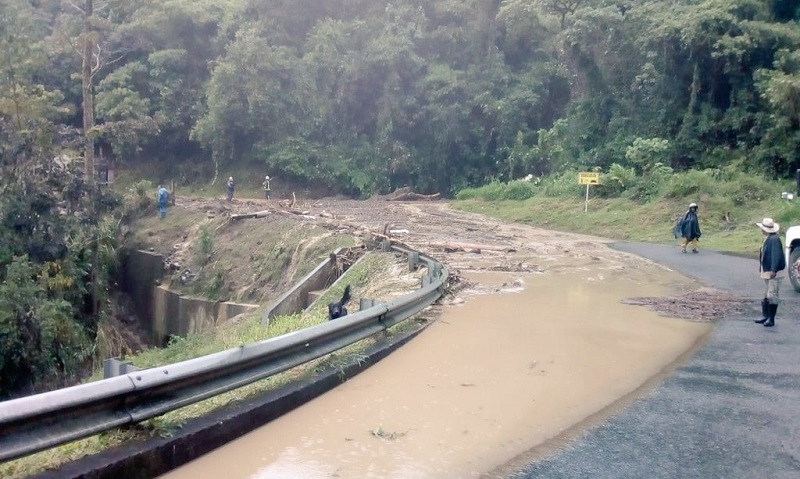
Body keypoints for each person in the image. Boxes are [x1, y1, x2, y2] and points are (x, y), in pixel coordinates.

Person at [754, 218, 785, 327]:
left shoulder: (774, 239)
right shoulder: (768, 238)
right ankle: (766, 316)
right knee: (767, 294)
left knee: (772, 294)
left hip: (773, 271)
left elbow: (776, 255)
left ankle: (771, 319)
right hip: (768, 269)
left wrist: (774, 270)